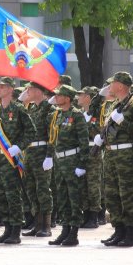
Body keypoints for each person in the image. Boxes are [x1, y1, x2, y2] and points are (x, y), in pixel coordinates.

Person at [97, 72, 133, 247]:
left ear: (120, 85)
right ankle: (118, 230)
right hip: (111, 154)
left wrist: (123, 122)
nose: (110, 86)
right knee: (112, 194)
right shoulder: (114, 105)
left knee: (127, 194)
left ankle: (129, 233)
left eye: (113, 83)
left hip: (127, 155)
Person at [0, 77, 35, 245]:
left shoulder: (18, 109)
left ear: (10, 89)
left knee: (13, 195)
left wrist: (19, 146)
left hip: (11, 158)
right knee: (0, 195)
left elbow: (31, 131)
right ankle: (7, 228)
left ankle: (16, 230)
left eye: (2, 87)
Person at [47, 85, 89, 246]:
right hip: (59, 161)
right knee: (62, 197)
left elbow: (84, 142)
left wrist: (82, 164)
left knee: (74, 198)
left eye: (60, 95)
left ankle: (74, 232)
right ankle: (65, 229)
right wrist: (50, 156)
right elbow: (53, 137)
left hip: (72, 161)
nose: (56, 97)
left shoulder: (77, 115)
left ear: (68, 98)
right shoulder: (57, 115)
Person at [21, 82, 54, 237]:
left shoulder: (49, 109)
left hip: (42, 152)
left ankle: (46, 226)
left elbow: (52, 136)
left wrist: (49, 156)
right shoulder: (32, 109)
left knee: (42, 189)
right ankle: (37, 223)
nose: (27, 91)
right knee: (31, 189)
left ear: (39, 91)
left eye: (30, 89)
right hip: (30, 152)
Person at [76, 86, 103, 229]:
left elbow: (99, 131)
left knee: (93, 185)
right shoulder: (79, 114)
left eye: (81, 95)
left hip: (93, 152)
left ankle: (94, 216)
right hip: (81, 152)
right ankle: (85, 214)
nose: (78, 97)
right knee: (82, 185)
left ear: (88, 98)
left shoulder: (97, 114)